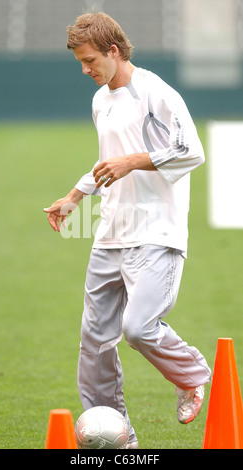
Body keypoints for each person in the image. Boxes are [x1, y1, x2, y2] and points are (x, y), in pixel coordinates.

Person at [44, 12, 211, 449]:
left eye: (89, 60)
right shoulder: (102, 99)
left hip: (156, 232)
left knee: (138, 328)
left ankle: (190, 375)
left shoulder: (155, 92)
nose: (85, 69)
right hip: (110, 235)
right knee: (94, 343)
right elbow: (109, 161)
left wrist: (134, 161)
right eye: (81, 62)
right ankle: (117, 440)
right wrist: (74, 197)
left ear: (113, 51)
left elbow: (192, 151)